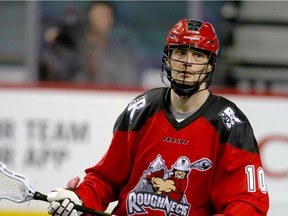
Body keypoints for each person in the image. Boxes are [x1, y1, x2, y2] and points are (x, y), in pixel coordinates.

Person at [46, 19, 269, 216]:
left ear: (210, 64)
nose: (187, 63)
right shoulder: (142, 109)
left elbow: (249, 203)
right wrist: (80, 197)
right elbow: (107, 178)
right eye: (180, 52)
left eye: (198, 55)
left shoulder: (230, 124)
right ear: (168, 58)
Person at [73, 1, 138, 86]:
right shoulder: (72, 47)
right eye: (97, 16)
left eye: (105, 17)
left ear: (112, 21)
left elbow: (128, 83)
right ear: (87, 19)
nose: (100, 21)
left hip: (109, 97)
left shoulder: (120, 53)